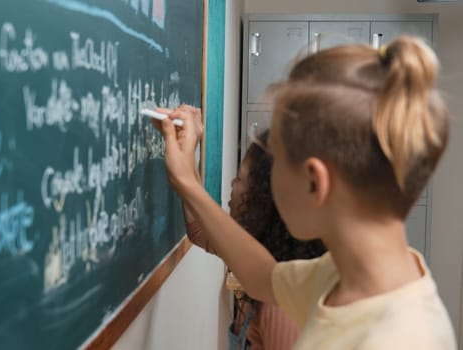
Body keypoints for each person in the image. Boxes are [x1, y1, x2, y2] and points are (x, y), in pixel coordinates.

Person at [153, 36, 456, 349]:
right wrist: (186, 180)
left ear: (314, 183)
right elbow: (261, 276)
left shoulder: (399, 339)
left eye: (278, 160)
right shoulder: (345, 274)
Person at [184, 131, 326, 350]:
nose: (232, 183)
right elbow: (199, 231)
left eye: (240, 178)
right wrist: (187, 162)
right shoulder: (262, 251)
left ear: (263, 198)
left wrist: (183, 175)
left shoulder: (280, 306)